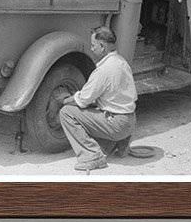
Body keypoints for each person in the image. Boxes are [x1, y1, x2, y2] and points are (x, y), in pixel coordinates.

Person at [58, 26, 137, 172]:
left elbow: (82, 100)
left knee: (67, 112)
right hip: (130, 121)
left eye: (93, 45)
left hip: (116, 124)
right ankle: (120, 144)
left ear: (102, 46)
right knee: (100, 106)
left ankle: (92, 156)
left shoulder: (103, 70)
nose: (91, 48)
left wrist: (63, 100)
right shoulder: (122, 62)